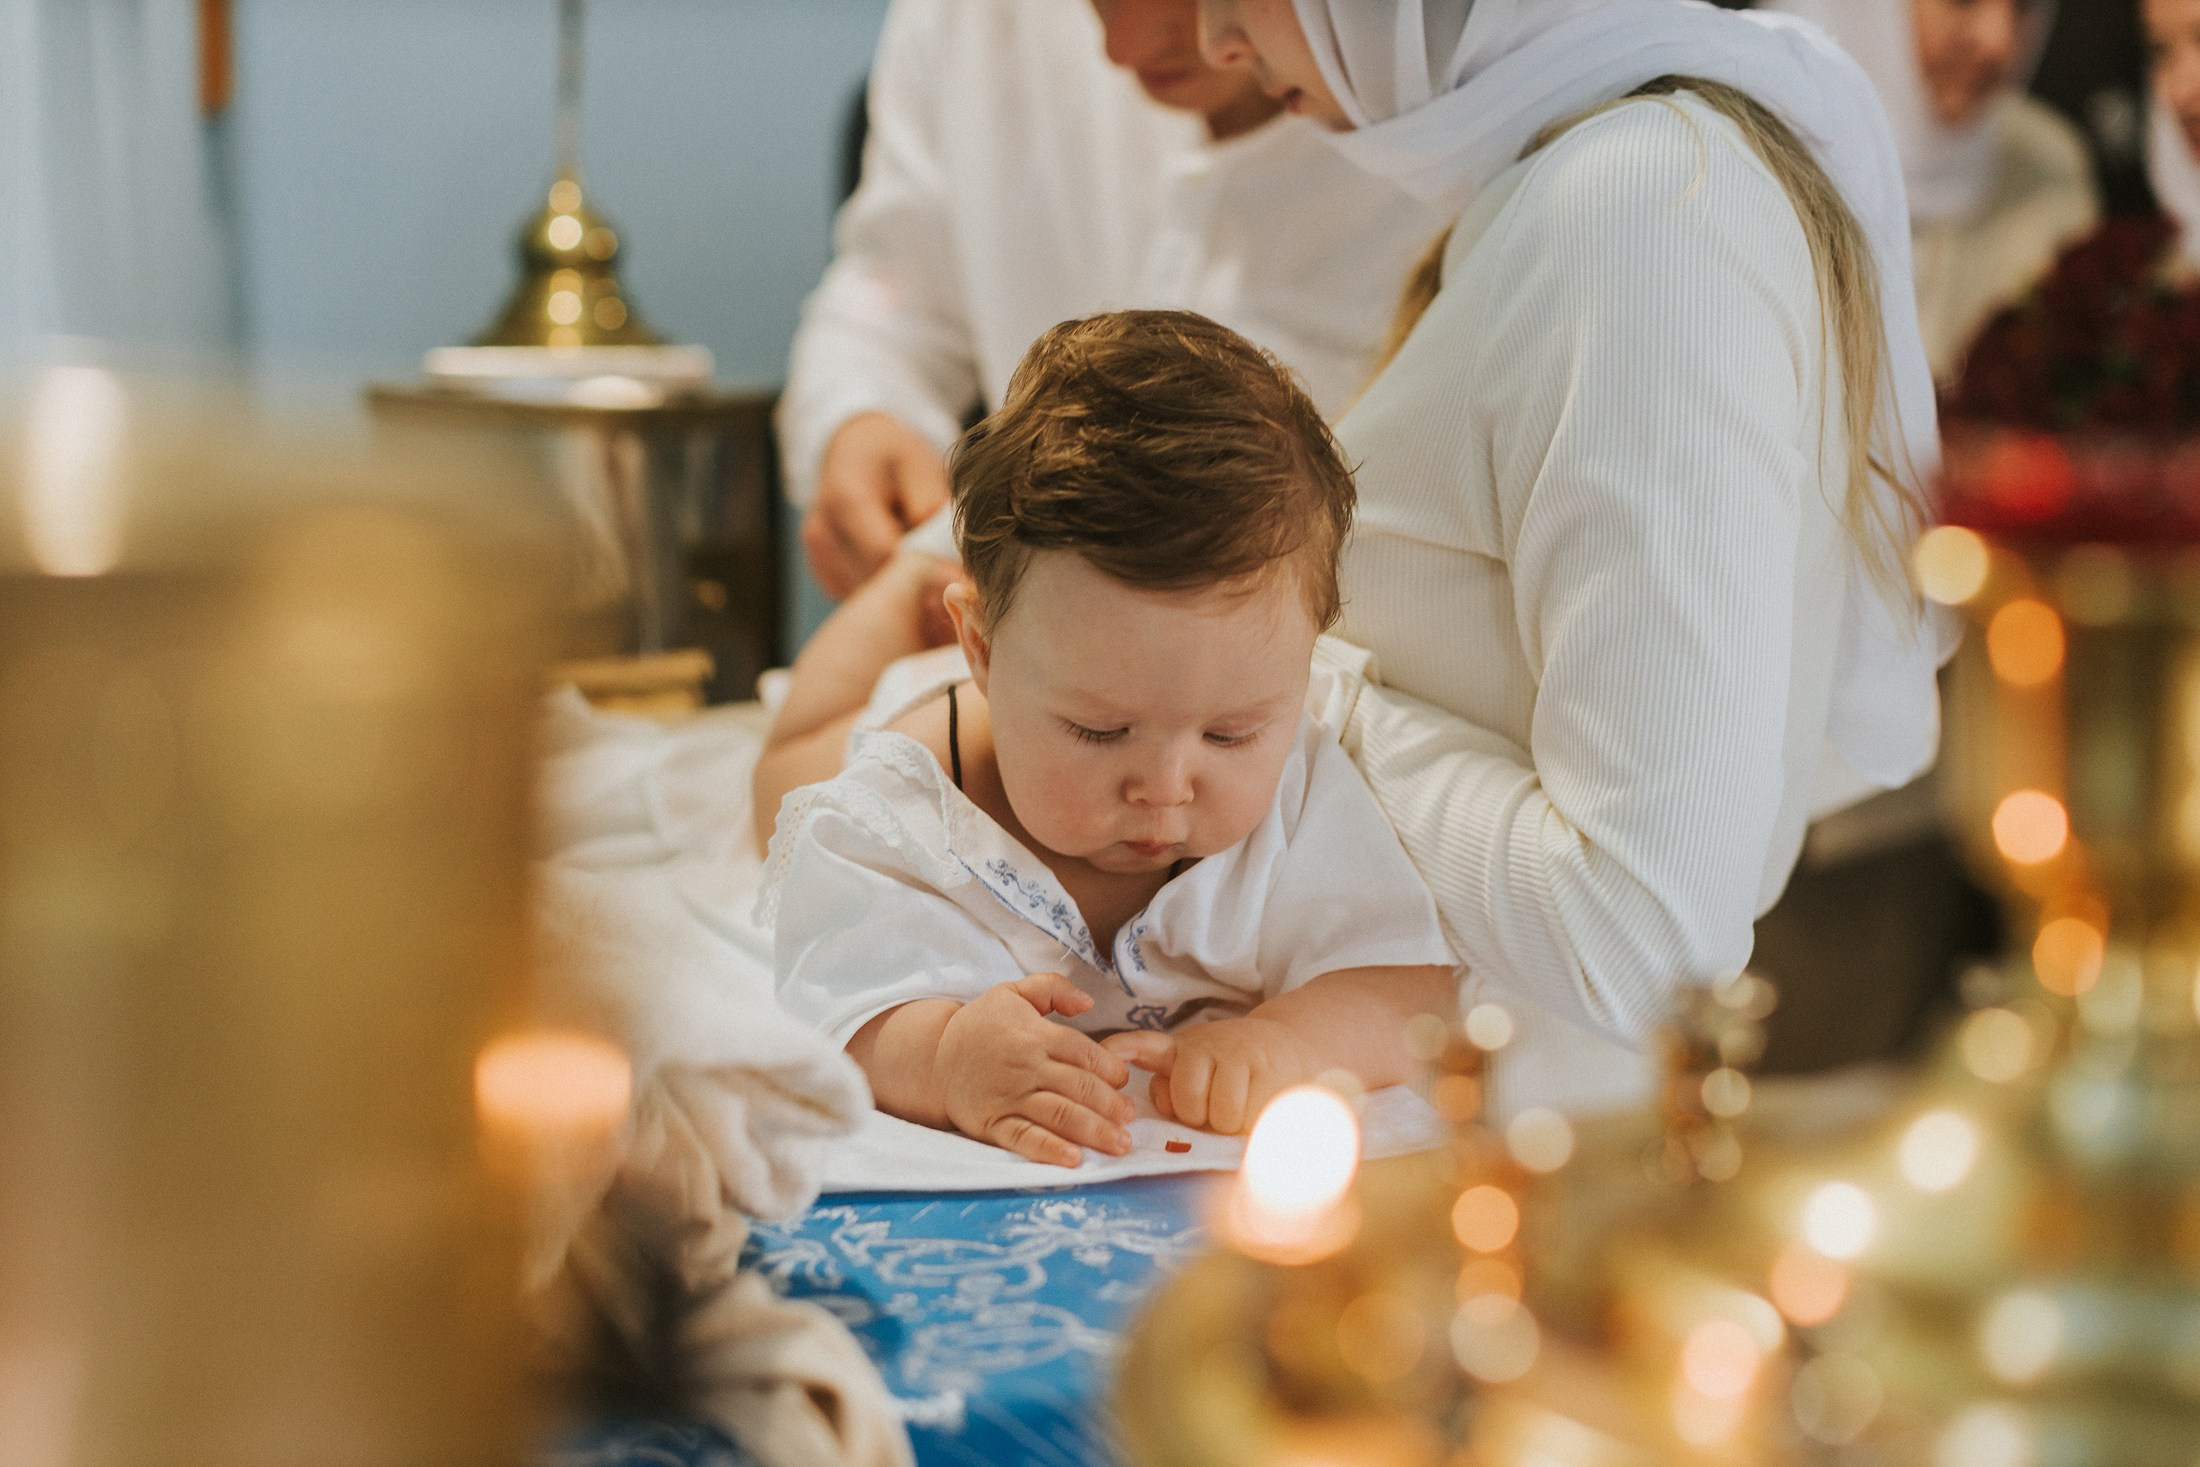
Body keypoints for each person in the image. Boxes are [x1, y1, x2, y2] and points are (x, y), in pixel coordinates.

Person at [1193, 0, 1954, 1116]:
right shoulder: (1586, 180)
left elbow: (1637, 936)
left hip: (1497, 1156)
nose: (1215, 40)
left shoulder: (1646, 208)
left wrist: (1279, 696)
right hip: (1424, 1100)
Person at [759, 312, 1457, 1166]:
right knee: (780, 775)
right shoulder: (898, 811)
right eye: (1099, 730)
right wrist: (941, 1054)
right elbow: (842, 1002)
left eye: (1231, 732)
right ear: (983, 651)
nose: (1165, 787)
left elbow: (1406, 984)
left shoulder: (1299, 789)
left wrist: (1285, 1041)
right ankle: (916, 572)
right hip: (906, 706)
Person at [777, 0, 1449, 598]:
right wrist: (858, 414)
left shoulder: (1474, 118)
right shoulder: (969, 20)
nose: (1120, 49)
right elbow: (890, 292)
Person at [1769, 0, 2099, 382]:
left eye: (2024, 8)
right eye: (1963, 2)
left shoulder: (2047, 170)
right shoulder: (1752, 169)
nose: (1999, 42)